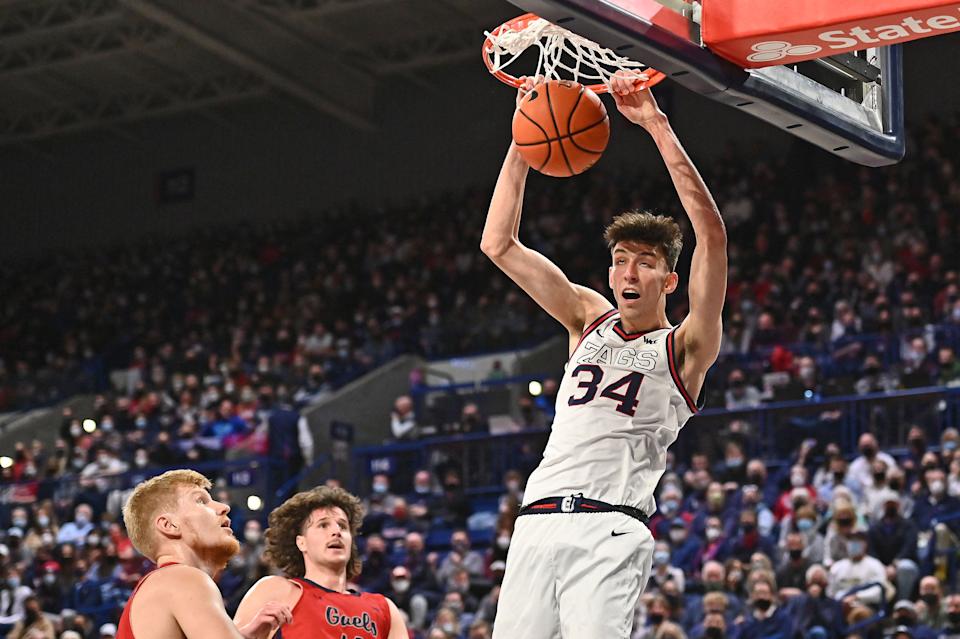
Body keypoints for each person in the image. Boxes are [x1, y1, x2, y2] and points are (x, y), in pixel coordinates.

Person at [481, 70, 726, 638]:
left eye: (644, 261)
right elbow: (499, 244)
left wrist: (656, 125)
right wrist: (524, 138)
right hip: (537, 521)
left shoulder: (685, 345)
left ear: (669, 280)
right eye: (619, 259)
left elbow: (711, 237)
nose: (628, 271)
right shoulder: (587, 318)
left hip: (610, 527)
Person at [117, 469, 292, 639]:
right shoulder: (182, 578)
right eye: (201, 501)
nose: (224, 507)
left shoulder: (162, 584)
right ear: (169, 525)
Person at [234, 486, 408, 639]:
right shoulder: (277, 590)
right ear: (301, 542)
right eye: (323, 525)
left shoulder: (385, 609)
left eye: (343, 526)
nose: (336, 532)